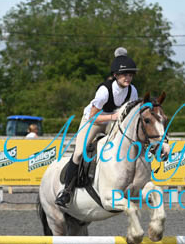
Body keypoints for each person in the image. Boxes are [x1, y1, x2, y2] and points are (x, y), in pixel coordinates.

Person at [55, 47, 139, 207]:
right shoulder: (104, 91)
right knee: (79, 153)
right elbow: (93, 116)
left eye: (130, 75)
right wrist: (113, 116)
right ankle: (66, 192)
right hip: (93, 121)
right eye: (124, 75)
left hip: (112, 123)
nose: (128, 78)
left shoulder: (132, 91)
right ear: (116, 75)